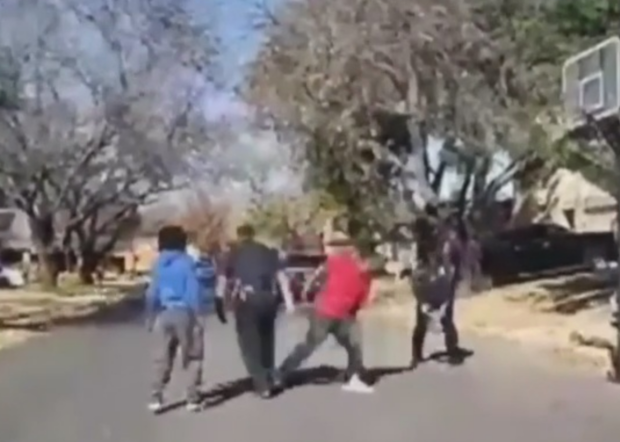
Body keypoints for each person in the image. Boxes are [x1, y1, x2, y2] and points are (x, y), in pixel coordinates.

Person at [273, 232, 375, 394]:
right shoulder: (338, 262)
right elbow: (318, 276)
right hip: (325, 313)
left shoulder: (366, 278)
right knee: (309, 345)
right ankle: (280, 374)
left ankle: (354, 376)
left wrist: (355, 317)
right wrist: (309, 290)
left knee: (355, 345)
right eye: (364, 261)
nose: (366, 265)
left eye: (369, 264)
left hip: (345, 316)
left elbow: (361, 301)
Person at [216, 224, 295, 398]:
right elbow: (282, 277)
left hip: (247, 301)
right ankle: (270, 374)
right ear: (253, 235)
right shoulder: (268, 251)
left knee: (249, 344)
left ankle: (262, 383)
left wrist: (219, 303)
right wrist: (289, 303)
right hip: (269, 300)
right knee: (267, 338)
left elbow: (222, 280)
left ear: (239, 236)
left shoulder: (233, 254)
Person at [145, 225, 210, 413]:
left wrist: (150, 315)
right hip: (186, 313)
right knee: (193, 356)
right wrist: (198, 315)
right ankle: (192, 398)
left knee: (162, 358)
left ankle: (156, 396)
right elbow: (193, 291)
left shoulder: (158, 264)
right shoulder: (187, 262)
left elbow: (152, 292)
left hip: (164, 314)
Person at [409, 217, 466, 369]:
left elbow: (415, 272)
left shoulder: (429, 245)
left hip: (428, 285)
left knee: (423, 321)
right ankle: (451, 351)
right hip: (437, 284)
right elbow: (448, 267)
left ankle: (417, 356)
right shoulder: (435, 244)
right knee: (445, 319)